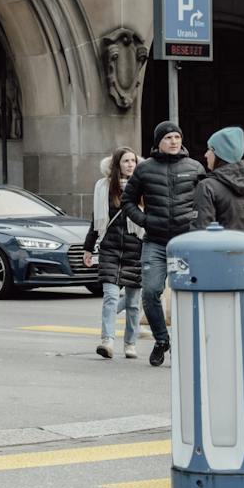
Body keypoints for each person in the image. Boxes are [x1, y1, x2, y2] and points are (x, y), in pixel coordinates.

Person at [123, 120, 204, 368]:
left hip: (184, 244)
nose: (174, 141)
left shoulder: (195, 167)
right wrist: (144, 220)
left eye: (177, 137)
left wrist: (194, 225)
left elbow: (205, 201)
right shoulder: (145, 169)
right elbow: (127, 200)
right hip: (155, 242)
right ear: (159, 141)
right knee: (150, 291)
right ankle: (161, 340)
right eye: (168, 137)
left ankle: (183, 344)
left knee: (184, 295)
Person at [83, 147, 143, 360]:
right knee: (110, 296)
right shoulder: (104, 188)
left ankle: (130, 343)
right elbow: (96, 221)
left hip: (136, 249)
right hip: (110, 249)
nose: (130, 165)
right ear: (117, 164)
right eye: (126, 161)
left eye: (133, 161)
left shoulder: (143, 187)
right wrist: (88, 248)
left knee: (134, 303)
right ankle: (107, 341)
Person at [197, 126, 244, 242]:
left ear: (220, 153)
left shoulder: (207, 186)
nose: (206, 154)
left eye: (209, 149)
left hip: (217, 257)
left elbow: (201, 231)